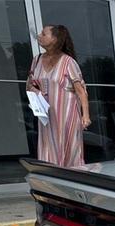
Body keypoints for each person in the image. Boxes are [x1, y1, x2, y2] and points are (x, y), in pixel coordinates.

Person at [26, 25, 90, 167]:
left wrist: (85, 116)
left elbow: (80, 91)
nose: (39, 36)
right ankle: (51, 181)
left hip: (67, 115)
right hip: (46, 116)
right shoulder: (36, 60)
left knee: (69, 150)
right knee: (48, 150)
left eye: (44, 34)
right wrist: (35, 92)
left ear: (55, 39)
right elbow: (30, 84)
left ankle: (74, 181)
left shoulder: (68, 62)